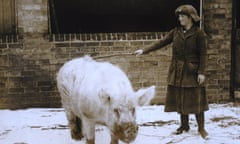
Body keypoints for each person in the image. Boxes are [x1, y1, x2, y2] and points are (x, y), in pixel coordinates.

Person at [134, 4, 209, 139]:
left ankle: (201, 128)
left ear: (190, 18)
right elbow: (161, 42)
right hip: (178, 70)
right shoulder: (176, 32)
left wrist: (202, 72)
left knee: (197, 99)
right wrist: (144, 50)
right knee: (181, 98)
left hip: (192, 71)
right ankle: (184, 126)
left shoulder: (199, 33)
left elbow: (203, 54)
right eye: (179, 16)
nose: (180, 19)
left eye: (182, 16)